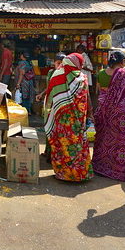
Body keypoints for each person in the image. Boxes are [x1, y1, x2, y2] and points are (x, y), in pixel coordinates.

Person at [44, 53, 94, 182]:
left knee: (62, 142)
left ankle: (63, 173)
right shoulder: (82, 78)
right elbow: (86, 97)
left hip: (62, 118)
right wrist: (90, 112)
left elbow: (50, 98)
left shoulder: (57, 75)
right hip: (78, 119)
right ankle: (79, 173)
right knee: (78, 143)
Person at [92, 51, 125, 181]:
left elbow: (98, 90)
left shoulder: (101, 73)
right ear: (122, 62)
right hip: (122, 115)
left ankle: (100, 166)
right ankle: (120, 170)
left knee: (104, 139)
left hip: (104, 111)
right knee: (121, 142)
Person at [36, 52, 66, 161]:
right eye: (58, 63)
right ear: (54, 63)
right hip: (49, 102)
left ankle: (54, 153)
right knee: (48, 126)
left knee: (57, 128)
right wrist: (41, 94)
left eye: (62, 63)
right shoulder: (50, 72)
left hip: (60, 103)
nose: (60, 65)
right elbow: (49, 87)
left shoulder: (66, 74)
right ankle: (48, 151)